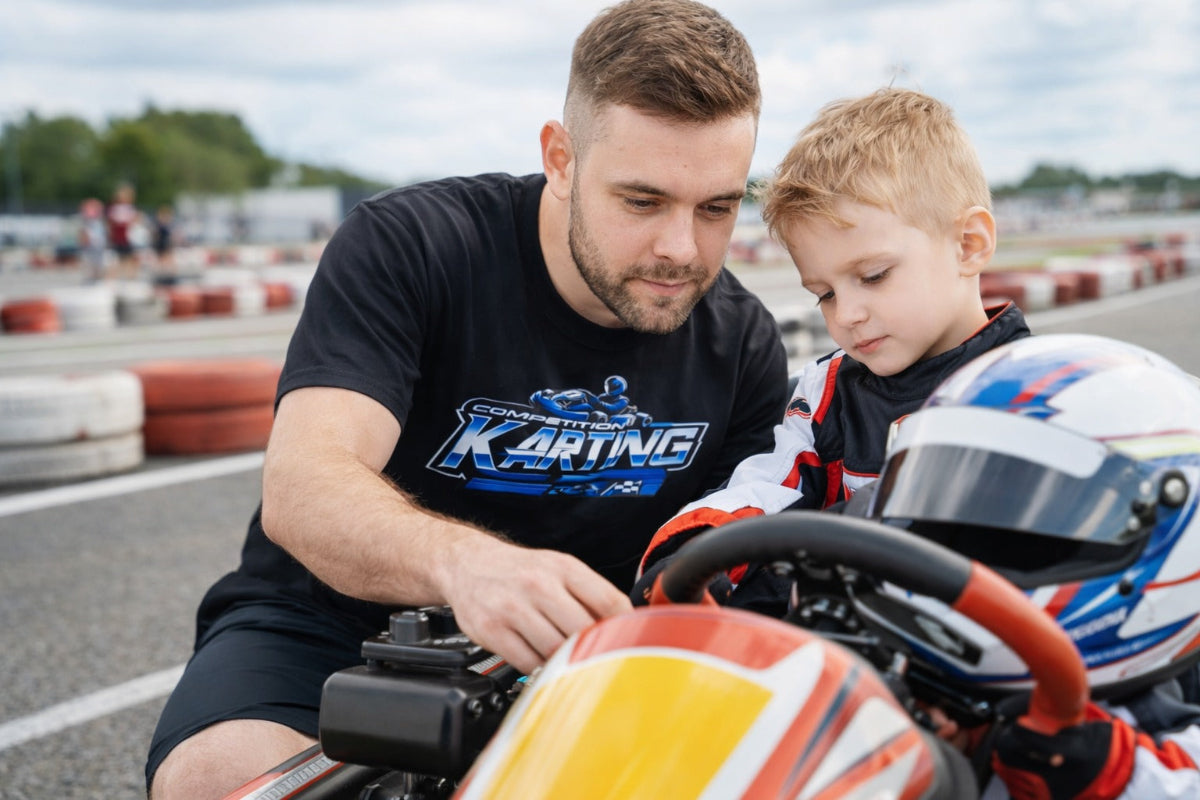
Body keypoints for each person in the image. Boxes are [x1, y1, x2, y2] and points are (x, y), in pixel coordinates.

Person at [145, 2, 788, 798]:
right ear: (561, 158)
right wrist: (467, 565)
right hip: (334, 623)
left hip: (588, 646)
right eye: (643, 201)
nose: (682, 249)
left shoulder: (744, 343)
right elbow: (303, 486)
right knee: (218, 780)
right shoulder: (411, 246)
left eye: (718, 208)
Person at [633, 87, 1029, 606]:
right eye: (824, 294)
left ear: (969, 244)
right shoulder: (828, 393)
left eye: (873, 275)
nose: (847, 314)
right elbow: (764, 490)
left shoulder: (1038, 389)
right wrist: (695, 554)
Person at [854, 333, 1200, 798]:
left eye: (1023, 518)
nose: (957, 538)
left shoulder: (1151, 745)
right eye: (951, 497)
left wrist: (1119, 776)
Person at [106, 182, 141, 280]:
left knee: (129, 259)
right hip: (119, 237)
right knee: (116, 260)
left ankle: (129, 277)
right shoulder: (115, 208)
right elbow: (113, 223)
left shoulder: (129, 208)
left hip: (127, 237)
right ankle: (114, 278)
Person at [78, 197, 107, 282]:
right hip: (90, 247)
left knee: (99, 265)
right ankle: (92, 279)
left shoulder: (99, 222)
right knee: (89, 265)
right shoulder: (86, 222)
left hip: (98, 246)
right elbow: (83, 234)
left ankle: (97, 278)